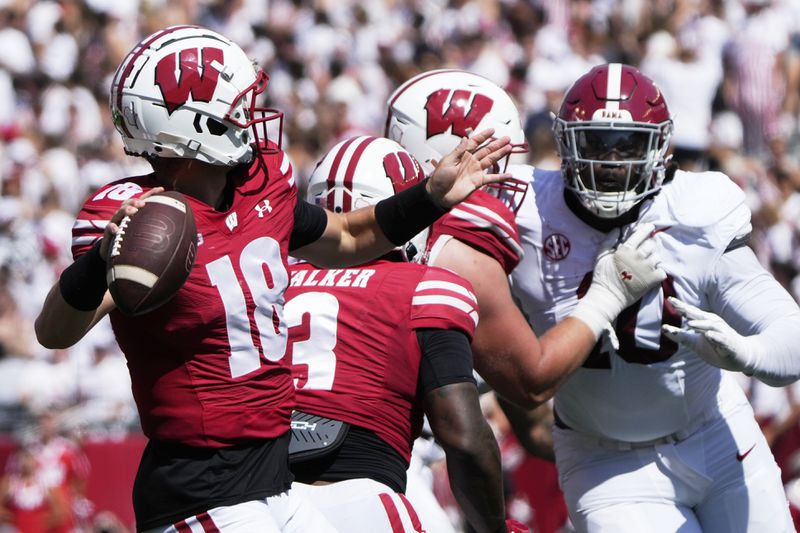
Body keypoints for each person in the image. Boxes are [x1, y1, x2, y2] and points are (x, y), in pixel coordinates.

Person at [33, 26, 513, 533]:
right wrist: (100, 260)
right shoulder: (139, 219)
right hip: (202, 487)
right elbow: (55, 331)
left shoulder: (259, 184)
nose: (251, 117)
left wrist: (431, 198)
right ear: (195, 125)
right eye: (238, 107)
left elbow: (349, 236)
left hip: (277, 479)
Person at [389, 64, 800, 532]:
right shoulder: (524, 205)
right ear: (564, 143)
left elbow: (792, 335)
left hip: (717, 433)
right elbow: (427, 229)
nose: (610, 161)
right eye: (595, 142)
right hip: (606, 464)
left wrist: (747, 352)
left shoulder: (696, 210)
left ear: (661, 147)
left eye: (626, 145)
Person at [284, 135, 525, 533]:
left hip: (252, 500)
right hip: (358, 501)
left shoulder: (272, 279)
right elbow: (464, 439)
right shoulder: (426, 287)